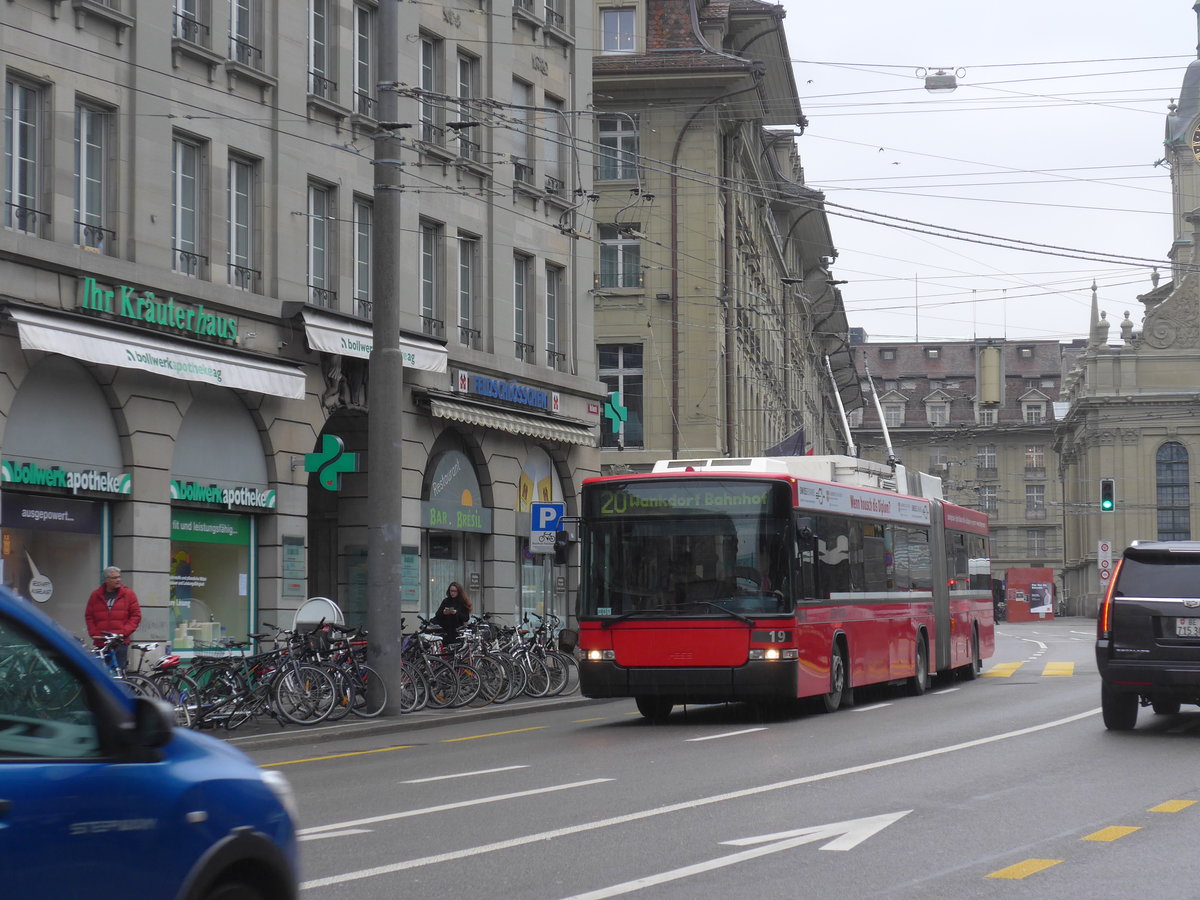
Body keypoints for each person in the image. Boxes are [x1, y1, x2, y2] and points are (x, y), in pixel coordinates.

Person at [85, 566, 142, 672]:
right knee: (101, 674)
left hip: (120, 642)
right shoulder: (96, 595)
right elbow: (89, 616)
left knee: (119, 673)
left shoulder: (128, 594)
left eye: (119, 577)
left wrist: (124, 632)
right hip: (102, 642)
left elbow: (136, 615)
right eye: (114, 578)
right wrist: (94, 633)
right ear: (106, 579)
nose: (118, 580)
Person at [433, 581, 472, 646]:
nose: (452, 593)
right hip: (445, 630)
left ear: (459, 592)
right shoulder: (446, 601)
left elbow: (466, 618)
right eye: (451, 591)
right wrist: (444, 612)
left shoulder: (463, 602)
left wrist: (456, 613)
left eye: (454, 591)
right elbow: (437, 614)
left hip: (457, 631)